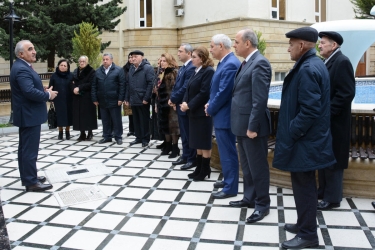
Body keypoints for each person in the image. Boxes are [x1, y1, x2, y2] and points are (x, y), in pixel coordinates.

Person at [273, 27, 336, 249]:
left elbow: (310, 111)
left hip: (304, 141)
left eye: (291, 43)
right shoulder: (310, 64)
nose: (288, 47)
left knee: (305, 187)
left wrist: (292, 131)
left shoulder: (308, 68)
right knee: (303, 185)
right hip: (306, 140)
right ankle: (303, 224)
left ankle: (308, 234)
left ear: (301, 46)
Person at [230, 29, 272, 220]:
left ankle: (262, 204)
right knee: (246, 167)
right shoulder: (246, 63)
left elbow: (259, 100)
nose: (234, 45)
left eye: (236, 42)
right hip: (241, 124)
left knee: (258, 168)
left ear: (248, 43)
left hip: (252, 127)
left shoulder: (260, 63)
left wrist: (253, 127)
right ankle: (249, 197)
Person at [10, 40, 57, 192]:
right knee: (29, 150)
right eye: (30, 49)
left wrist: (41, 88)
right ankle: (31, 182)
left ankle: (29, 176)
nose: (34, 51)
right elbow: (28, 92)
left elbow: (29, 87)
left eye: (34, 48)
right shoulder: (22, 68)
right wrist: (47, 94)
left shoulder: (22, 66)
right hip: (29, 115)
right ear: (21, 54)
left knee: (25, 149)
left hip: (28, 114)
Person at [317, 31, 355, 210]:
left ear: (334, 45)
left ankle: (333, 198)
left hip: (336, 123)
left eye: (323, 43)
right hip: (327, 122)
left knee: (333, 159)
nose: (320, 45)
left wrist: (328, 113)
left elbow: (346, 93)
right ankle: (323, 191)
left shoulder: (342, 61)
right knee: (325, 156)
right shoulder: (329, 61)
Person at [205, 34, 241, 199]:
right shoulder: (224, 62)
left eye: (212, 46)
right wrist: (210, 103)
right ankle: (228, 180)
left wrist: (210, 107)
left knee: (228, 153)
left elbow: (224, 92)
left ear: (221, 45)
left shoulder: (231, 64)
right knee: (225, 153)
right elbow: (216, 90)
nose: (210, 50)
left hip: (225, 117)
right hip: (221, 115)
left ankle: (230, 188)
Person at [181, 46, 215, 181]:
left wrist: (189, 105)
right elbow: (188, 89)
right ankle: (199, 167)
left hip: (202, 113)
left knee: (204, 142)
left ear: (202, 58)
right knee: (197, 142)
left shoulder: (208, 71)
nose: (192, 59)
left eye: (194, 57)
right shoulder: (196, 70)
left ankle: (205, 168)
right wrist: (184, 102)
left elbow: (204, 93)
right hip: (193, 112)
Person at [169, 43, 197, 169]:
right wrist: (173, 99)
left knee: (188, 133)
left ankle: (191, 158)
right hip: (180, 104)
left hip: (185, 105)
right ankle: (185, 155)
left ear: (189, 53)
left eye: (180, 51)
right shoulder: (183, 67)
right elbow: (176, 86)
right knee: (184, 133)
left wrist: (174, 98)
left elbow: (185, 87)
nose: (178, 53)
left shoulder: (191, 67)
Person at [92, 53, 125, 145]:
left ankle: (118, 137)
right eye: (104, 59)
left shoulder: (118, 70)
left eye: (107, 59)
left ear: (111, 60)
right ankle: (107, 136)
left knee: (116, 119)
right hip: (102, 100)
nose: (105, 61)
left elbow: (122, 85)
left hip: (114, 99)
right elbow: (94, 86)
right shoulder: (98, 71)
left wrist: (120, 98)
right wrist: (94, 98)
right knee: (105, 120)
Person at [125, 50, 155, 147]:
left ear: (141, 57)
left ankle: (145, 139)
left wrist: (146, 98)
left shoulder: (147, 68)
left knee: (144, 120)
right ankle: (138, 137)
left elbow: (150, 84)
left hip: (143, 99)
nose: (133, 58)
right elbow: (128, 84)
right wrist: (127, 98)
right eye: (132, 57)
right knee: (136, 119)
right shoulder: (131, 68)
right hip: (133, 98)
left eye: (135, 56)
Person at [155, 53, 180, 158]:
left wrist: (172, 101)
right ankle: (168, 145)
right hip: (162, 103)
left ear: (170, 61)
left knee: (173, 127)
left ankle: (175, 147)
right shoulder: (161, 72)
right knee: (165, 125)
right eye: (161, 61)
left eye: (164, 61)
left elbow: (175, 89)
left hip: (170, 103)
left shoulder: (173, 73)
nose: (161, 63)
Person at [71, 55, 97, 141]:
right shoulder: (75, 71)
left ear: (87, 62)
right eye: (80, 61)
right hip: (77, 97)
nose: (82, 63)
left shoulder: (91, 71)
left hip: (87, 97)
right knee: (79, 116)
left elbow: (91, 83)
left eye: (84, 61)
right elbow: (72, 82)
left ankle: (90, 132)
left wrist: (80, 87)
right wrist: (74, 88)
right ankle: (82, 133)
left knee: (88, 115)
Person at [48, 59, 73, 140]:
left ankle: (68, 131)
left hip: (69, 99)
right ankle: (60, 132)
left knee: (68, 115)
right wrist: (51, 99)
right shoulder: (54, 76)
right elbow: (50, 87)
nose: (63, 67)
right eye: (61, 65)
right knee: (59, 116)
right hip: (58, 99)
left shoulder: (71, 76)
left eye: (65, 66)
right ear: (58, 66)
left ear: (67, 67)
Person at [123, 53, 135, 137]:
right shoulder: (125, 68)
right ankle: (131, 130)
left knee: (136, 113)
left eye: (132, 57)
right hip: (127, 93)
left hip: (135, 94)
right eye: (129, 57)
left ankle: (137, 130)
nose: (130, 59)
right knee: (130, 113)